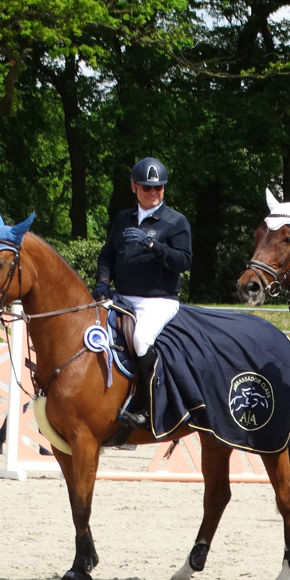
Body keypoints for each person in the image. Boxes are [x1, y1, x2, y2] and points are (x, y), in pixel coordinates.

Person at [92, 157, 192, 430]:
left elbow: (184, 261)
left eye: (158, 187)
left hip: (157, 301)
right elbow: (107, 255)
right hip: (122, 297)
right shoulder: (123, 219)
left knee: (140, 340)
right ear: (134, 187)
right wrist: (103, 282)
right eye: (147, 187)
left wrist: (152, 245)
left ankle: (148, 408)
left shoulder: (176, 222)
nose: (153, 192)